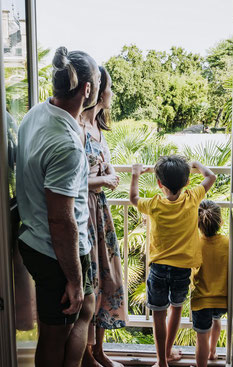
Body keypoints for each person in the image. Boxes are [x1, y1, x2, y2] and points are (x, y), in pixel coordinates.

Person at [16, 46, 101, 367]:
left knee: (86, 308)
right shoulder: (65, 145)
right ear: (87, 89)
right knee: (54, 335)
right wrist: (75, 281)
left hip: (39, 238)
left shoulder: (38, 112)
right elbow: (61, 219)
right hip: (56, 250)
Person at [129, 156, 216, 367]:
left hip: (158, 268)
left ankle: (161, 361)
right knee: (176, 308)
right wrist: (196, 165)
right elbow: (211, 176)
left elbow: (133, 198)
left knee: (158, 315)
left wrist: (135, 174)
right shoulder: (193, 197)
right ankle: (168, 351)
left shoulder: (153, 205)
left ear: (159, 184)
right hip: (183, 269)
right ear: (187, 182)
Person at [80, 66, 126, 367]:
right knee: (91, 280)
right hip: (84, 211)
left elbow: (105, 167)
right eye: (108, 87)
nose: (111, 93)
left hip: (101, 212)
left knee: (107, 278)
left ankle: (100, 351)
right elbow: (74, 180)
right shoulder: (78, 127)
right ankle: (85, 354)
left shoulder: (97, 126)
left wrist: (109, 174)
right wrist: (103, 180)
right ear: (98, 90)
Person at [191, 200, 229, 367]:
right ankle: (213, 352)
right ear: (220, 222)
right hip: (223, 299)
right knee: (216, 320)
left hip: (201, 300)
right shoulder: (228, 243)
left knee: (201, 337)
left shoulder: (195, 244)